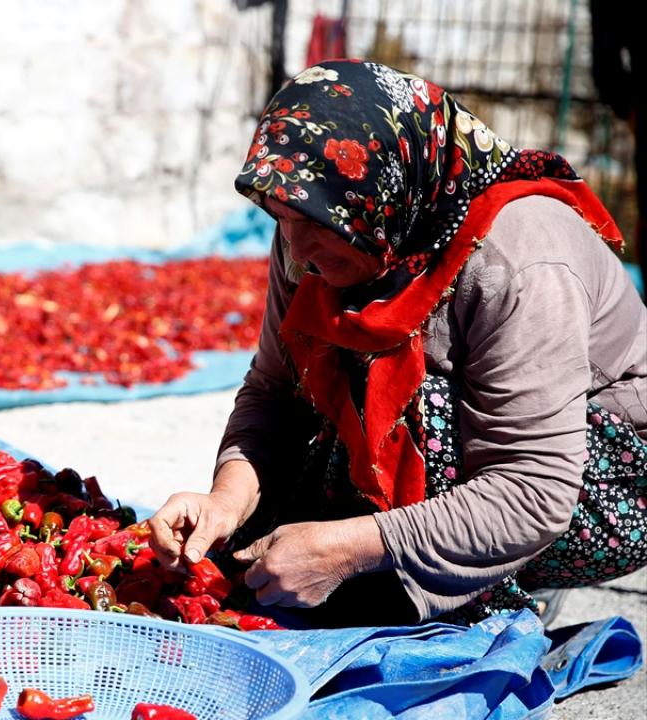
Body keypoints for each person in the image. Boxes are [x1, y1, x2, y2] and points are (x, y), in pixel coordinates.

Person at [148, 60, 647, 627]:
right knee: (258, 542)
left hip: (600, 483)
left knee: (413, 398)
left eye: (317, 221)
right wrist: (224, 501)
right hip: (487, 476)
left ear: (387, 191)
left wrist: (348, 548)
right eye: (281, 216)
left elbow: (533, 488)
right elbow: (274, 392)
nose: (297, 246)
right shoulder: (310, 231)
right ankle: (400, 556)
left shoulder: (518, 260)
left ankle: (492, 581)